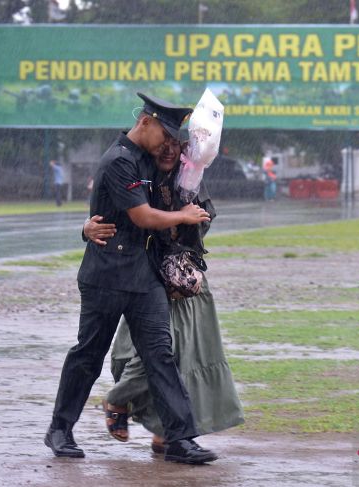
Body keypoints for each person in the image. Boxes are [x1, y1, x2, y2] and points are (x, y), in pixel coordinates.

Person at [45, 92, 218, 465]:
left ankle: (179, 438)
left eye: (175, 141)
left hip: (143, 277)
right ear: (145, 122)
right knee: (88, 356)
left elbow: (182, 186)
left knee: (160, 356)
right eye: (165, 136)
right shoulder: (119, 161)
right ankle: (60, 429)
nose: (168, 145)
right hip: (106, 275)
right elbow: (142, 216)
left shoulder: (151, 161)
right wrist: (183, 217)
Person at [83, 132, 244, 455]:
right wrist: (86, 228)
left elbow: (203, 221)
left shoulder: (191, 179)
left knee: (187, 358)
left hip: (185, 282)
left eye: (177, 145)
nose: (169, 150)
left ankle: (164, 433)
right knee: (155, 355)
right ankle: (118, 399)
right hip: (145, 279)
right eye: (164, 144)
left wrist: (187, 220)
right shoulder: (137, 172)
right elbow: (115, 215)